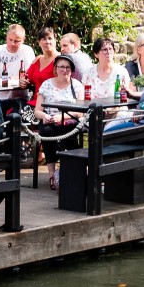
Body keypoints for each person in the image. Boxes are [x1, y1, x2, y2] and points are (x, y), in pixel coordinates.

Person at [32, 54, 87, 188]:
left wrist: (62, 117)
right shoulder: (46, 85)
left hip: (70, 120)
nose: (64, 70)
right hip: (50, 120)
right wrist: (45, 116)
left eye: (68, 67)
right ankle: (51, 173)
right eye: (61, 67)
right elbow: (37, 111)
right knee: (46, 132)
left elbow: (80, 111)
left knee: (71, 133)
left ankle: (75, 170)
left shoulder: (77, 85)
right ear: (55, 69)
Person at [0, 24, 34, 106]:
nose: (13, 43)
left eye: (17, 41)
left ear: (23, 40)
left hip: (19, 98)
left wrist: (5, 80)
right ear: (6, 37)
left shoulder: (27, 51)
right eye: (10, 40)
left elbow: (28, 74)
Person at [87, 36, 126, 103]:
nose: (108, 52)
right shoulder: (89, 73)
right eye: (104, 50)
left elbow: (125, 96)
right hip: (94, 110)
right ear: (96, 54)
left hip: (117, 109)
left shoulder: (121, 72)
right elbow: (85, 97)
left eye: (110, 49)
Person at [25, 28, 60, 99]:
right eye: (44, 39)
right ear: (39, 42)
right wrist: (22, 81)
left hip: (52, 102)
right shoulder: (38, 59)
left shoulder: (60, 60)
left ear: (55, 41)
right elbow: (27, 78)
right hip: (35, 101)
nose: (47, 41)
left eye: (50, 38)